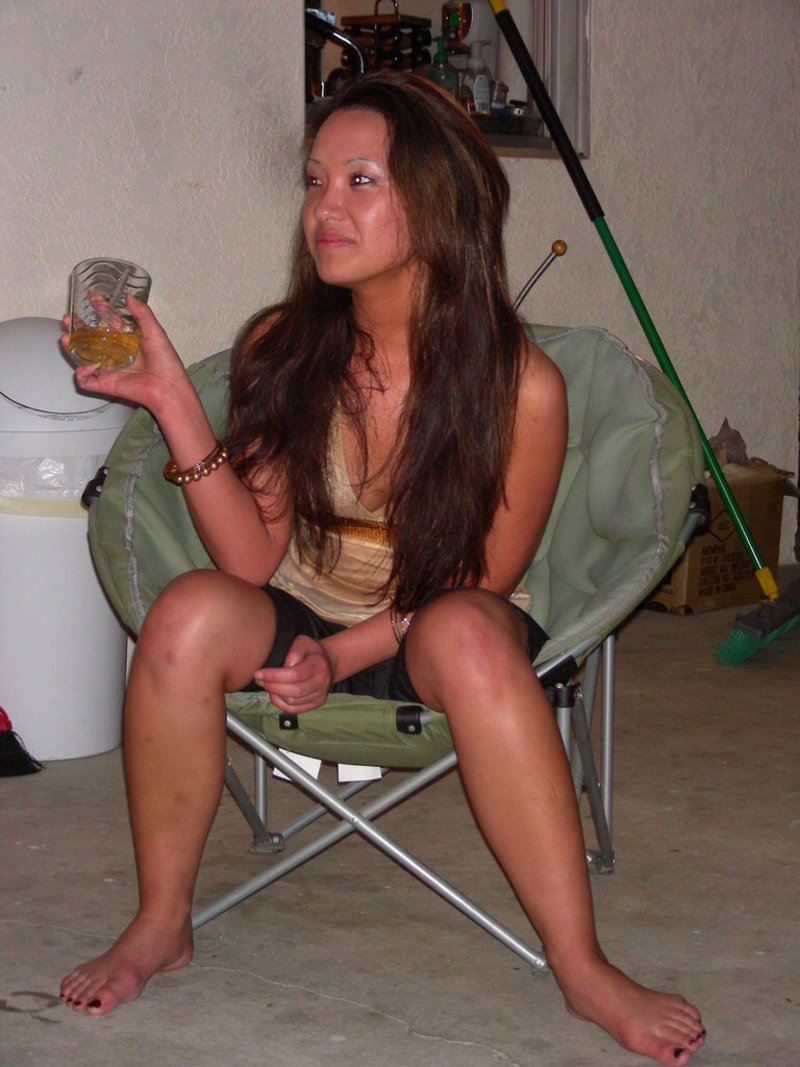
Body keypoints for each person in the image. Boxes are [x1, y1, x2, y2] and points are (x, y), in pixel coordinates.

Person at [59, 71, 705, 1065]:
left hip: (436, 626)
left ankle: (580, 965)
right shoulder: (285, 346)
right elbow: (250, 555)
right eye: (315, 180)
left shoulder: (521, 387)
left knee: (467, 631)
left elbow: (477, 582)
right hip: (299, 612)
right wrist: (172, 401)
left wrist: (345, 652)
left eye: (361, 180)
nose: (326, 206)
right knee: (186, 612)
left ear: (438, 202)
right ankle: (160, 922)